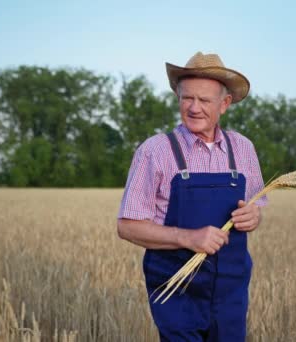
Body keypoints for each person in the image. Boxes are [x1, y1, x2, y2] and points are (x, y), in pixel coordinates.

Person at [117, 52, 267, 341]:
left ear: (225, 104)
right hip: (177, 290)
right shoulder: (155, 151)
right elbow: (127, 226)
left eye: (205, 100)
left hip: (230, 290)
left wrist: (253, 216)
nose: (194, 108)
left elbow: (254, 209)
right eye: (187, 98)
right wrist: (188, 237)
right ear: (178, 98)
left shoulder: (243, 149)